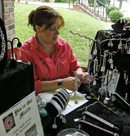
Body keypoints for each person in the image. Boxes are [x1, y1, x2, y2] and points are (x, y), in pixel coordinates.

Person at [17, 6, 89, 94]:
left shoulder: (65, 46)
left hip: (65, 99)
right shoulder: (26, 51)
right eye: (52, 29)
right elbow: (30, 85)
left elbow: (75, 68)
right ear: (38, 28)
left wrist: (80, 74)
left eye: (58, 28)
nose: (57, 32)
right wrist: (61, 83)